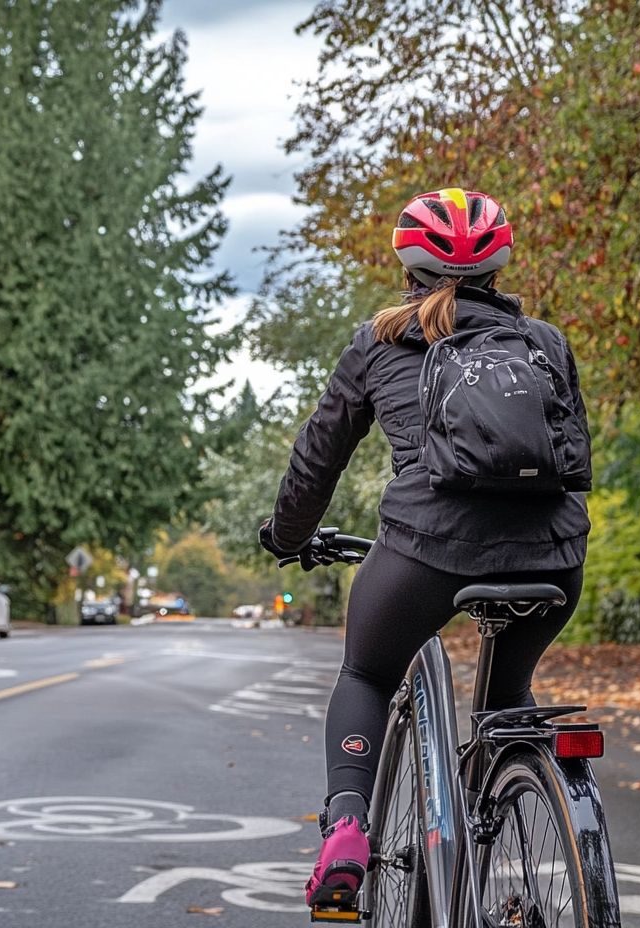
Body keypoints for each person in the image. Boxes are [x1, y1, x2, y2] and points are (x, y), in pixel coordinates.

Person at [257, 187, 591, 909]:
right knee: (506, 708)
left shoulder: (377, 342)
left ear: (406, 267)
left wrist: (287, 537)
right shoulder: (546, 343)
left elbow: (318, 459)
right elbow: (571, 457)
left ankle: (347, 827)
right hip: (556, 556)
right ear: (499, 269)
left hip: (429, 550)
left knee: (369, 672)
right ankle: (513, 797)